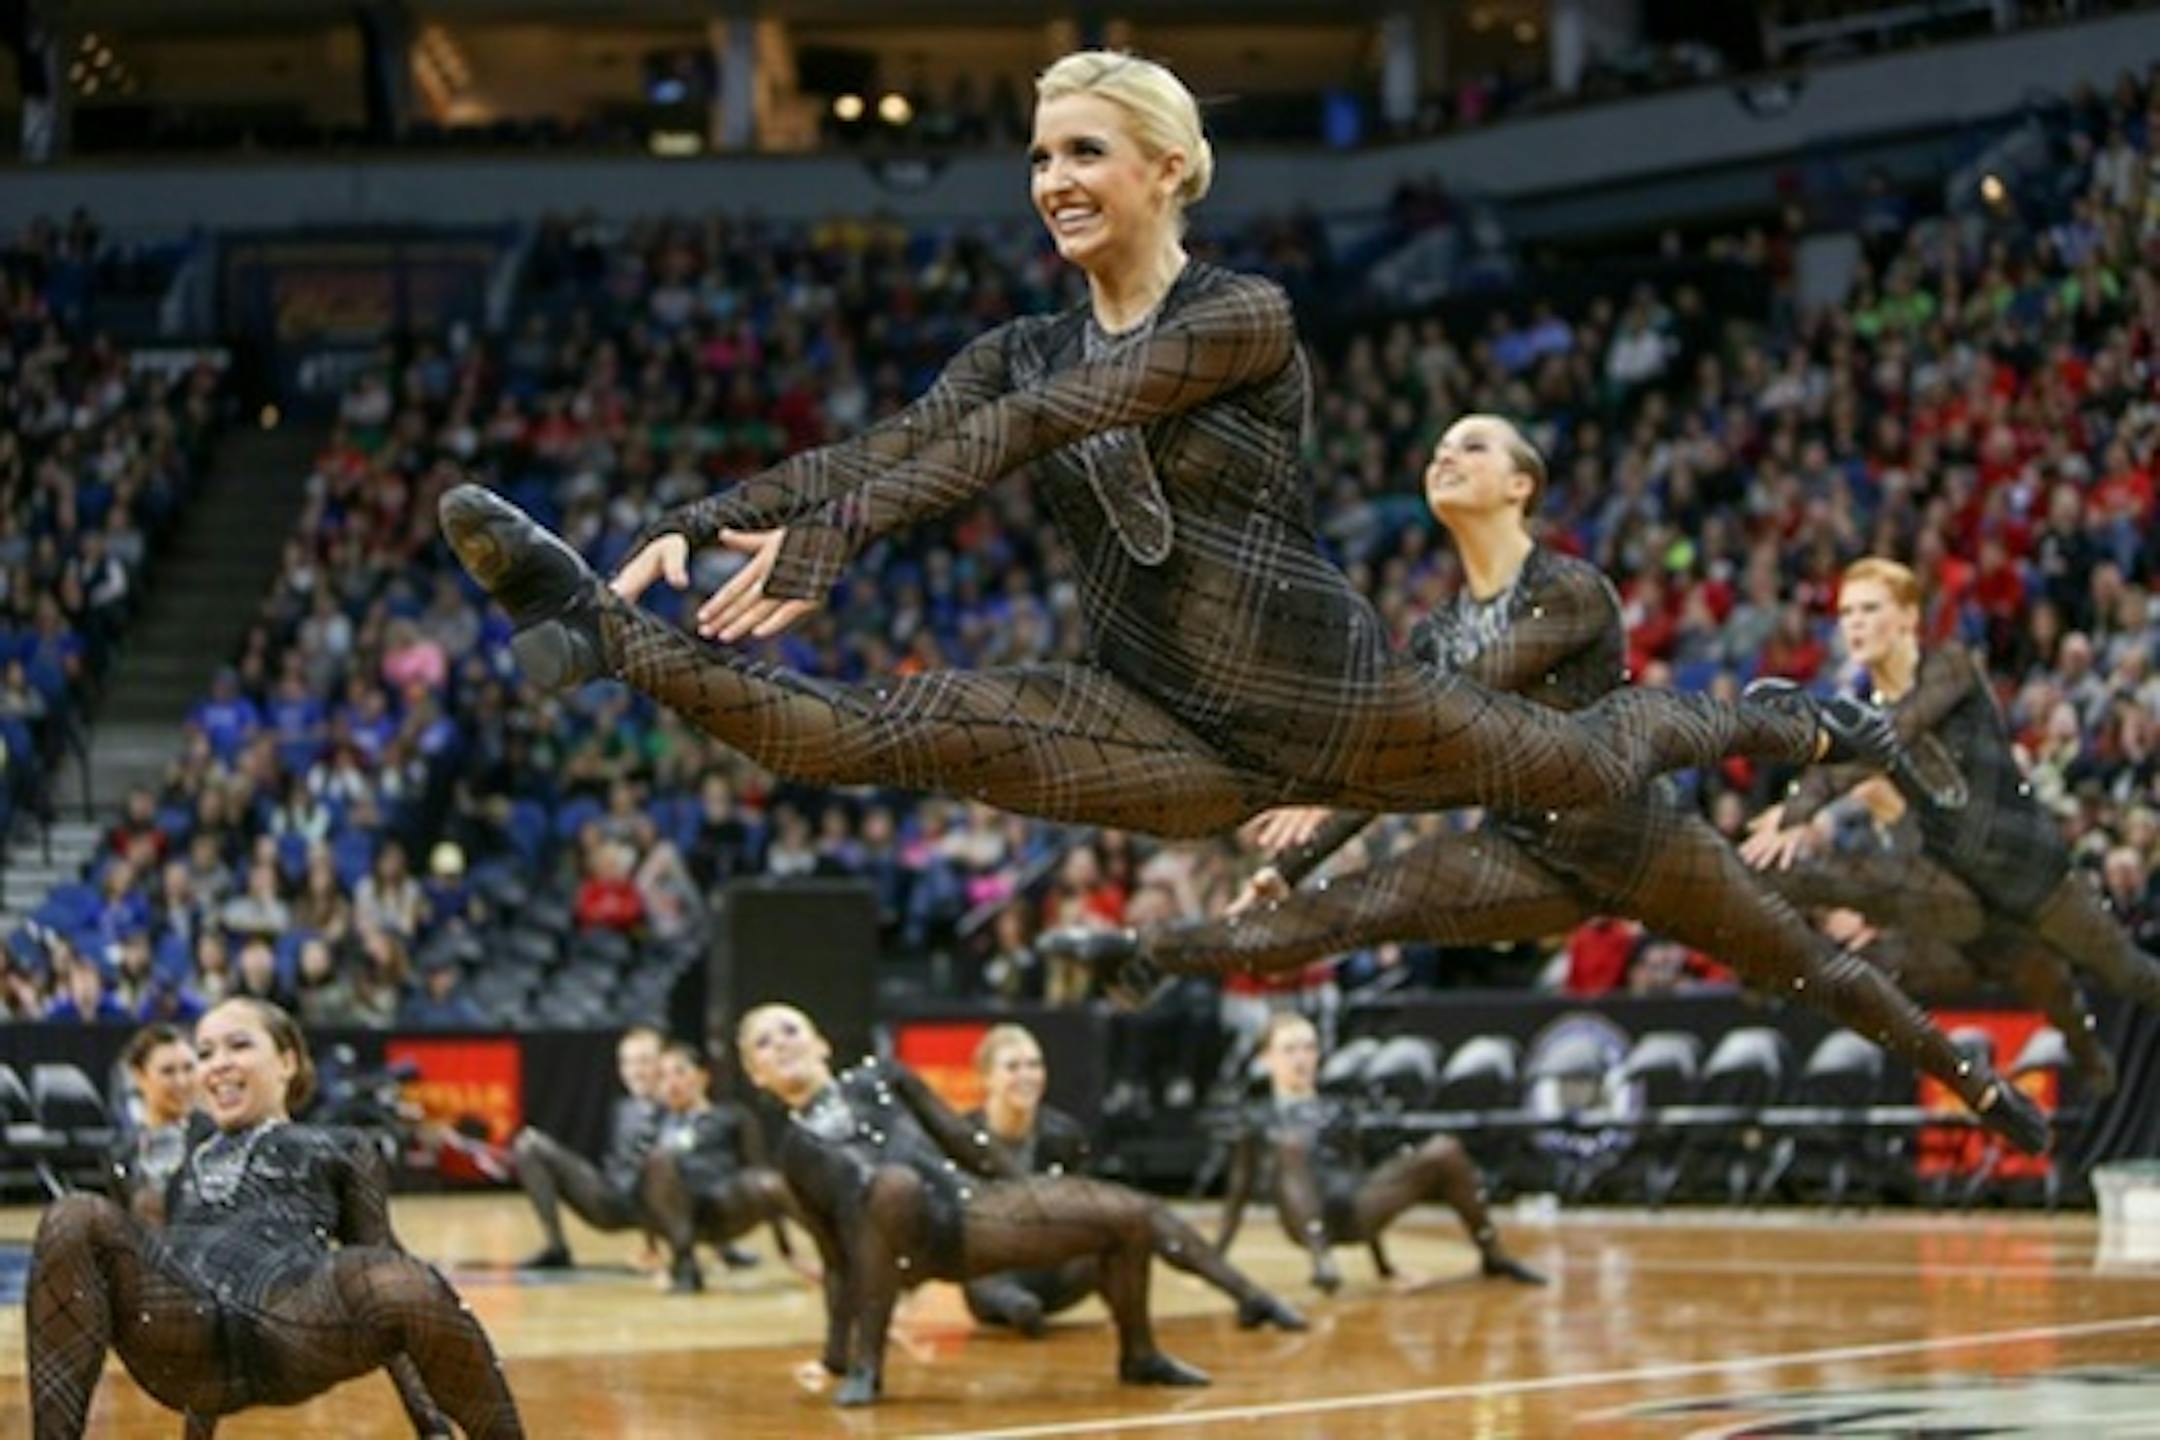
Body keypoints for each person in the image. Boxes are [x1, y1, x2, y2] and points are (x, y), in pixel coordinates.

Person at [440, 51, 1905, 849]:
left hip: (1343, 705)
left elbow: (1036, 426)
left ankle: (1791, 716)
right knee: (862, 738)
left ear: (1166, 167)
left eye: (1083, 151)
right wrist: (705, 515)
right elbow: (906, 434)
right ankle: (592, 621)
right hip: (1159, 720)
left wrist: (848, 533)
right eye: (1037, 158)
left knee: (1597, 755)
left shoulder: (1242, 315)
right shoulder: (1018, 338)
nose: (1053, 181)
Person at [1041, 418, 2046, 1152]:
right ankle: (1135, 949)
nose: (1445, 454)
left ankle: (1974, 1081)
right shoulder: (1432, 633)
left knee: (1812, 968)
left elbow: (1458, 706)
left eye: (1472, 445)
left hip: (1645, 843)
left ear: (1520, 484)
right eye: (1436, 445)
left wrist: (1356, 757)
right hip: (1524, 852)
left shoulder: (1570, 591)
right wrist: (1298, 855)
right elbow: (1418, 748)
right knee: (1332, 917)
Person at [25, 999, 521, 1439]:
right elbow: (174, 1266)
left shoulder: (341, 1146)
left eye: (238, 1045)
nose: (216, 1065)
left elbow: (392, 1297)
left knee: (399, 1277)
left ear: (287, 1061)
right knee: (73, 1215)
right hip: (190, 1336)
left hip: (292, 1323)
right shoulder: (181, 1154)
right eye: (205, 1053)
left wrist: (429, 1423)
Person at [740, 1002, 1256, 1407]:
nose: (781, 1043)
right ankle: (867, 1367)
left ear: (821, 1043)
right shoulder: (795, 1152)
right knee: (895, 1185)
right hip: (892, 1252)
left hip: (965, 1217)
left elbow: (964, 1143)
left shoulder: (884, 1077)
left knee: (1128, 1215)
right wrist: (837, 1352)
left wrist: (1033, 1194)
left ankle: (1140, 1354)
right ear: (756, 1075)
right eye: (763, 1043)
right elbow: (835, 1257)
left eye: (789, 1029)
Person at [1742, 557, 2160, 1039]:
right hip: (1962, 884)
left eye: (1869, 609)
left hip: (2025, 869)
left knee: (2132, 975)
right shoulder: (1874, 707)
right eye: (1847, 612)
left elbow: (1886, 739)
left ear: (1908, 618)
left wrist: (1801, 806)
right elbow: (1878, 780)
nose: (1854, 624)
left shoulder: (1950, 667)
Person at [958, 1023, 1304, 1337]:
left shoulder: (1062, 1134)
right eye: (1013, 1067)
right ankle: (1021, 1308)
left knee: (1139, 1217)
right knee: (1017, 1304)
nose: (1027, 1075)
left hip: (1053, 1267)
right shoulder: (962, 1136)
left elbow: (1082, 1206)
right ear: (986, 1077)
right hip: (991, 1276)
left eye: (1034, 1065)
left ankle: (1251, 1296)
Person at [1219, 1013, 1544, 1294]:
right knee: (1290, 1145)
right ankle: (1322, 1263)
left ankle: (1493, 1253)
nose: (1301, 1058)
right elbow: (1239, 1188)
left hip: (1350, 1210)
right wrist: (1217, 1257)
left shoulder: (1337, 1109)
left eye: (1309, 1048)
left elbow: (1357, 1171)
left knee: (1445, 1149)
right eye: (1289, 1050)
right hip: (1301, 1219)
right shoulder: (1257, 1117)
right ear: (1266, 1059)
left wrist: (1383, 1267)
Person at [637, 1040, 801, 1294]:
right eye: (662, 1077)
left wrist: (787, 1251)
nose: (671, 1083)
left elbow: (763, 1175)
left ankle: (834, 1253)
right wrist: (651, 1249)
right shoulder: (652, 1126)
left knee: (766, 1182)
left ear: (702, 1078)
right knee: (658, 1159)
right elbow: (642, 1187)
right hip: (676, 1214)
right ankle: (684, 1265)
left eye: (679, 1072)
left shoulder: (731, 1116)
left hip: (723, 1205)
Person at [510, 1023, 664, 1270]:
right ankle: (555, 1246)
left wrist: (652, 1246)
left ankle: (720, 1247)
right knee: (530, 1145)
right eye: (628, 1063)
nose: (636, 1071)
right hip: (611, 1198)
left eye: (644, 1061)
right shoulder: (623, 1108)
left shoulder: (674, 1108)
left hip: (658, 1209)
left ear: (662, 1063)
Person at [110, 1022, 198, 1226]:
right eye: (168, 1071)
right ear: (139, 1076)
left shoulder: (216, 1139)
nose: (182, 1082)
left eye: (189, 1068)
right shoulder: (123, 1151)